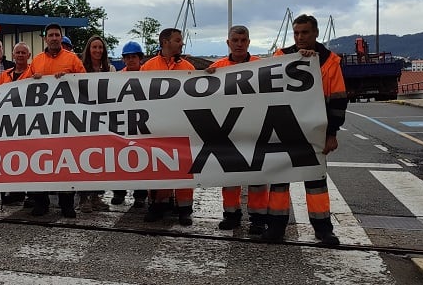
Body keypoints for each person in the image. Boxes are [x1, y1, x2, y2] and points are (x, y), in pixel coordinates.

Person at [264, 15, 346, 245]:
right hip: (283, 129)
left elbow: (338, 100)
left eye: (305, 33)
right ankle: (276, 227)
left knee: (316, 183)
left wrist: (332, 134)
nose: (300, 37)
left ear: (316, 34)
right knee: (279, 182)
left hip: (314, 132)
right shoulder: (281, 57)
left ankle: (323, 229)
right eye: (296, 33)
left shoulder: (330, 62)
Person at [204, 25, 267, 235]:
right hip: (228, 132)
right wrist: (207, 78)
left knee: (257, 177)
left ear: (248, 42)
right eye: (235, 40)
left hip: (255, 131)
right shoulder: (217, 68)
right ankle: (231, 215)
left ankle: (258, 218)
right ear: (228, 42)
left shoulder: (262, 66)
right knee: (230, 177)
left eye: (243, 40)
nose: (239, 44)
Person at [22, 23, 86, 218]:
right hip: (41, 121)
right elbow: (24, 85)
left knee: (65, 162)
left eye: (57, 35)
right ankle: (41, 203)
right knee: (41, 160)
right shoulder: (37, 61)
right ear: (45, 38)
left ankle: (67, 205)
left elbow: (85, 83)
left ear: (61, 37)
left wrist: (69, 78)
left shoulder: (72, 59)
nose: (54, 38)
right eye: (50, 35)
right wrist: (35, 78)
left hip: (66, 121)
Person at [141, 28, 196, 226]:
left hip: (182, 126)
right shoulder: (147, 67)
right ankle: (157, 205)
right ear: (165, 42)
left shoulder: (188, 67)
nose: (181, 43)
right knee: (158, 166)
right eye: (178, 40)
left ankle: (184, 210)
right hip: (157, 127)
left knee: (183, 166)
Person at [78, 35, 116, 213]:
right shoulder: (79, 70)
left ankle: (96, 196)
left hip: (103, 120)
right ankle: (84, 198)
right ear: (88, 49)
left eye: (100, 47)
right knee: (84, 158)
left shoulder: (111, 69)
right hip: (84, 120)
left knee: (100, 160)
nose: (97, 51)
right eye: (94, 47)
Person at [111, 41, 148, 207]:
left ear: (140, 58)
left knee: (143, 159)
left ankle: (140, 194)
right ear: (124, 59)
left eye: (134, 56)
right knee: (121, 159)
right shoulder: (116, 78)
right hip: (123, 124)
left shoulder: (150, 75)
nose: (131, 60)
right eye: (128, 57)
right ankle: (119, 192)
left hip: (143, 124)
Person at [0, 42, 32, 205]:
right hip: (9, 121)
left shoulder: (35, 73)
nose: (20, 55)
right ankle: (16, 191)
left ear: (28, 56)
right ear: (13, 55)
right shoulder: (5, 75)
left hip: (30, 120)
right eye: (17, 52)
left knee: (30, 156)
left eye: (24, 52)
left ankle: (33, 195)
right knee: (14, 157)